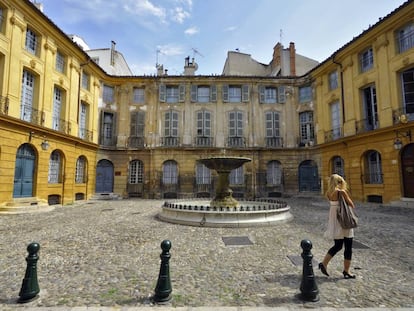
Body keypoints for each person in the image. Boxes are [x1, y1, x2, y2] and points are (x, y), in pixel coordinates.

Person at [319, 174, 356, 279]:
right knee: (348, 246)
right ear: (338, 182)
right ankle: (346, 271)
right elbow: (351, 204)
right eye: (341, 181)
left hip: (334, 220)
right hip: (343, 220)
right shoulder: (341, 192)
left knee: (338, 245)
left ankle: (324, 263)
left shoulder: (328, 193)